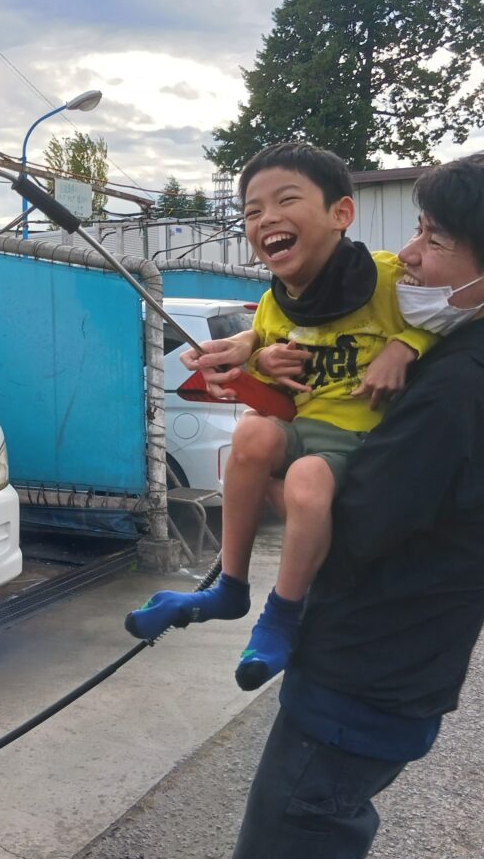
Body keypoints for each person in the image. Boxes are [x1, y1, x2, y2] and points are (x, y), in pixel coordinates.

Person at [233, 154, 484, 857]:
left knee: (293, 833)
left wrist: (268, 484)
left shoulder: (460, 387)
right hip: (400, 668)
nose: (407, 255)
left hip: (364, 680)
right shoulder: (451, 355)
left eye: (434, 240)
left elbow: (356, 527)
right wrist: (256, 353)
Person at [125, 143, 434, 690]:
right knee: (252, 434)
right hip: (305, 427)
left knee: (307, 477)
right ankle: (230, 586)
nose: (265, 218)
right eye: (251, 211)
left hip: (359, 441)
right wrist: (258, 361)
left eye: (286, 200)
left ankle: (284, 612)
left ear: (341, 213)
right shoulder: (273, 304)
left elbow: (450, 314)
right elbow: (278, 389)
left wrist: (403, 346)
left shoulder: (386, 277)